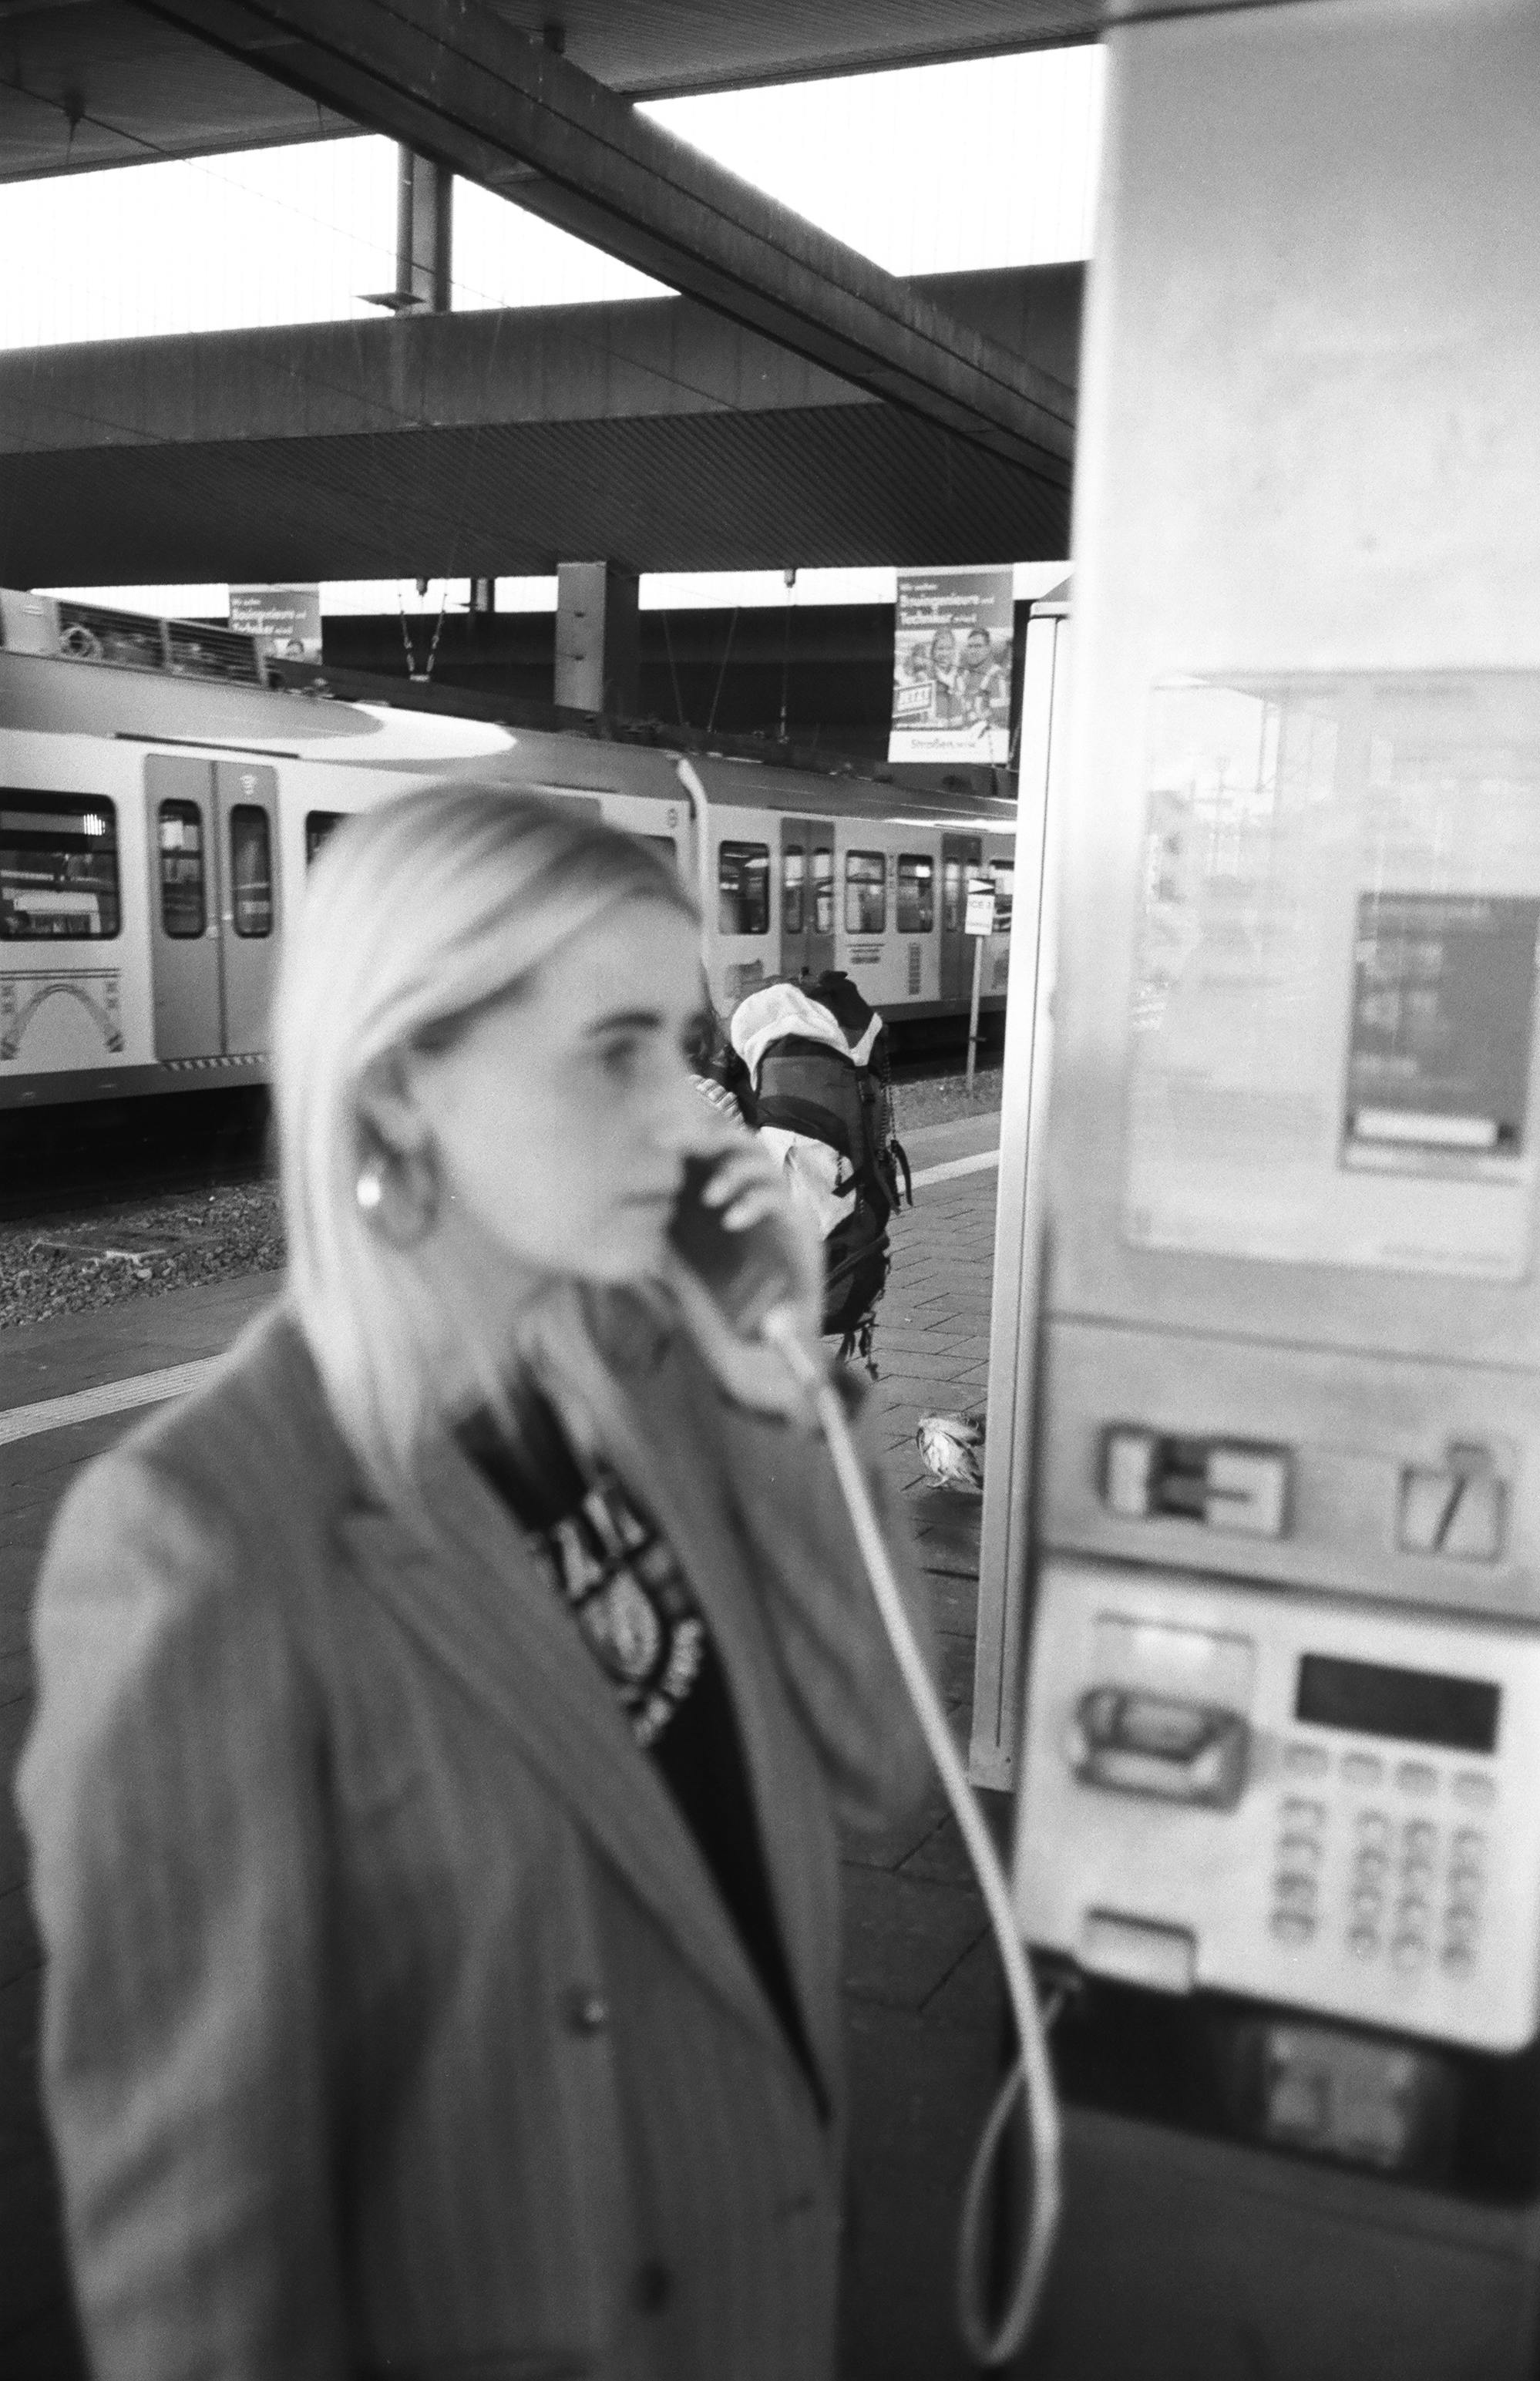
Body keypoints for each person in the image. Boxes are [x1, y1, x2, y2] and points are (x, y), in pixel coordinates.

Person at [18, 783, 934, 2381]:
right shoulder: (203, 1542)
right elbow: (202, 2261)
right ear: (394, 1095)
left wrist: (784, 1391)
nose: (692, 1110)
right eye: (613, 1053)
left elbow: (878, 1768)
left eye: (684, 1042)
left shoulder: (659, 1371)